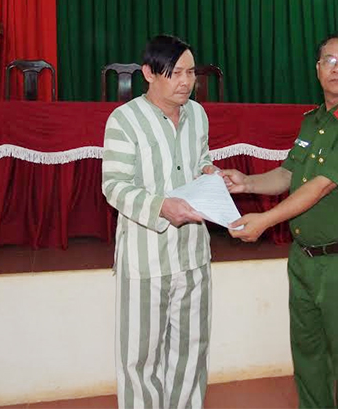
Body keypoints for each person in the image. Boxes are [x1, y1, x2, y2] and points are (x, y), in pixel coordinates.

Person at [222, 32, 338, 408]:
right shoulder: (314, 121)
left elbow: (320, 186)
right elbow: (289, 174)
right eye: (330, 60)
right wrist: (245, 182)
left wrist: (265, 220)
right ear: (317, 69)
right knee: (308, 357)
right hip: (305, 259)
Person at [102, 35, 217, 408]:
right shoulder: (124, 120)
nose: (185, 82)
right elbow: (114, 186)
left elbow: (201, 158)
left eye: (191, 73)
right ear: (149, 73)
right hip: (145, 260)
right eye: (175, 73)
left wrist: (210, 173)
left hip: (193, 255)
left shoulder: (197, 115)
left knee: (191, 353)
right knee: (140, 360)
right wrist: (161, 207)